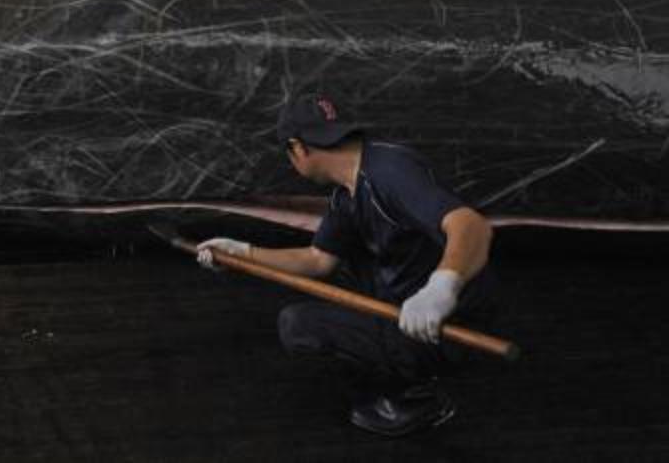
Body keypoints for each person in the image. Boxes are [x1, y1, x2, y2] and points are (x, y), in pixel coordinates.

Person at [195, 93, 498, 437]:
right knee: (348, 261)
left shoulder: (390, 170)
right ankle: (404, 355)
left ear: (297, 147)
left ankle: (418, 395)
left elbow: (470, 224)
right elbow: (317, 260)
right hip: (412, 300)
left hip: (447, 322)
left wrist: (442, 288)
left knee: (297, 324)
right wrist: (241, 251)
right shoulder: (349, 191)